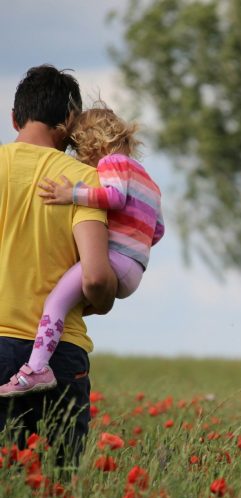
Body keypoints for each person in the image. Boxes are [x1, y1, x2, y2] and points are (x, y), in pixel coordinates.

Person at [0, 104, 164, 397]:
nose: (77, 156)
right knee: (73, 299)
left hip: (113, 261)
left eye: (78, 147)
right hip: (134, 268)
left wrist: (71, 194)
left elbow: (112, 198)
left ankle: (37, 368)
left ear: (93, 142)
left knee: (56, 302)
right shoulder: (149, 181)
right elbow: (158, 230)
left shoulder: (111, 164)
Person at [0, 65, 117, 462]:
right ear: (70, 122)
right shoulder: (83, 181)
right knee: (54, 484)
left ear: (15, 118)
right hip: (58, 358)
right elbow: (98, 276)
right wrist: (100, 300)